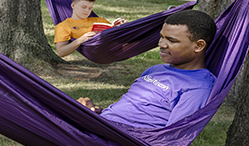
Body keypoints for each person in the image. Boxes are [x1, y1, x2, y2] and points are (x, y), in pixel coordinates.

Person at [76, 10, 218, 129]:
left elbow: (174, 135)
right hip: (103, 126)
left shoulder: (198, 86)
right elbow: (133, 110)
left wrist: (100, 126)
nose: (161, 44)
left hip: (115, 139)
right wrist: (96, 113)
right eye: (161, 37)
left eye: (171, 40)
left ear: (199, 46)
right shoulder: (155, 70)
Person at [53, 0, 126, 57]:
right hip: (97, 53)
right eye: (84, 7)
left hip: (116, 47)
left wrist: (122, 26)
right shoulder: (63, 26)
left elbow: (117, 35)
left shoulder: (100, 20)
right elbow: (61, 52)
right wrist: (81, 40)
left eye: (90, 8)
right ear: (73, 5)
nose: (87, 11)